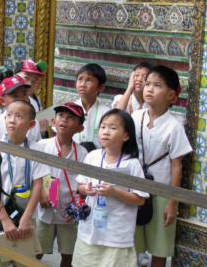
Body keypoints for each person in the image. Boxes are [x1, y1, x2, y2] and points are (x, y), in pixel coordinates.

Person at [73, 109, 149, 267]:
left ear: (126, 136)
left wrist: (114, 192)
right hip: (90, 232)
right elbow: (79, 187)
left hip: (117, 235)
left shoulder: (132, 164)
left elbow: (140, 199)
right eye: (103, 127)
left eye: (113, 128)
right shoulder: (92, 156)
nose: (106, 132)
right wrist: (86, 189)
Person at [133, 65, 192, 267]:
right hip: (136, 190)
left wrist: (172, 203)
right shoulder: (136, 117)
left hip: (161, 193)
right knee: (133, 242)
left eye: (157, 85)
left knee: (160, 247)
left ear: (171, 95)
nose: (149, 89)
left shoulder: (174, 126)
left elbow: (177, 166)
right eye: (148, 84)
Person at [0, 100, 49, 267]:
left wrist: (26, 218)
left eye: (19, 116)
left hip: (25, 217)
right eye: (9, 115)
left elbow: (37, 185)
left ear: (31, 124)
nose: (12, 120)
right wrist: (5, 220)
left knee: (24, 262)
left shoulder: (36, 150)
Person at [36, 102, 88, 267]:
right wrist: (44, 192)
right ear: (53, 122)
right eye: (60, 116)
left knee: (68, 254)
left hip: (69, 212)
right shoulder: (42, 146)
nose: (64, 120)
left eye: (71, 117)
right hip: (45, 209)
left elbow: (83, 183)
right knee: (37, 251)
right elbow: (35, 174)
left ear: (80, 128)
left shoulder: (82, 153)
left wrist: (77, 204)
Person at [0, 75, 42, 142]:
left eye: (24, 94)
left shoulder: (34, 123)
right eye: (15, 96)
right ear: (2, 101)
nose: (21, 100)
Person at [73, 63, 110, 151]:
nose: (82, 84)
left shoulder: (106, 113)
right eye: (80, 79)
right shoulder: (68, 109)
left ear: (101, 87)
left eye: (89, 80)